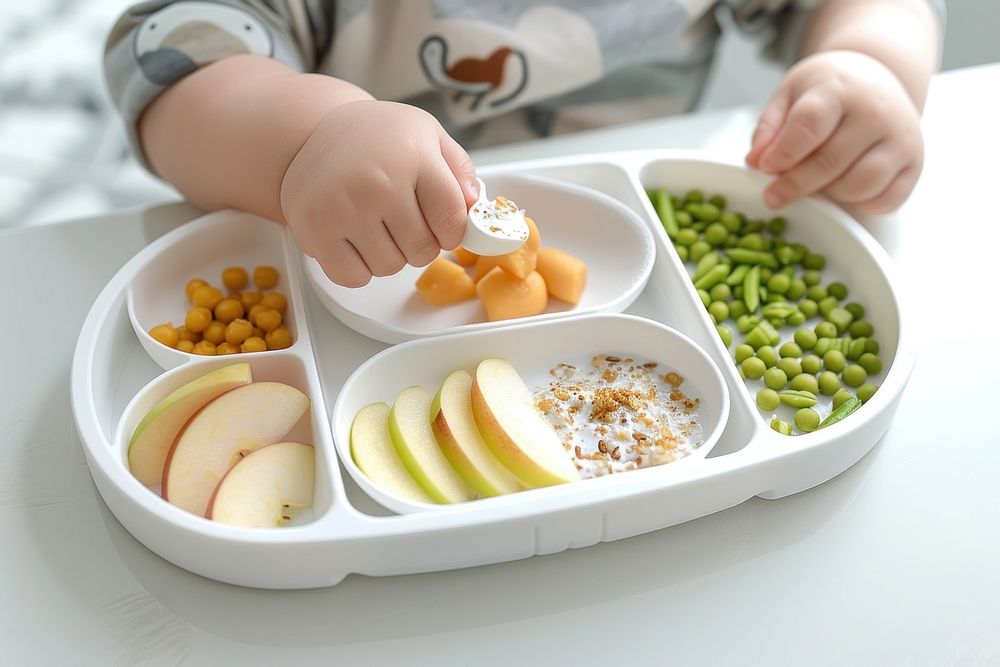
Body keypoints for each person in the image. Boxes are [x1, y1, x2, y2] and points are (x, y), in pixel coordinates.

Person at [104, 0, 943, 287]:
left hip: (639, 236)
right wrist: (307, 140)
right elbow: (171, 59)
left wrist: (868, 66)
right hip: (353, 258)